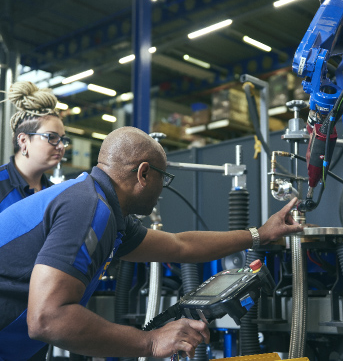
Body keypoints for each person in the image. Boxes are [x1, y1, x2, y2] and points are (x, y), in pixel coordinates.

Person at [0, 126, 303, 361]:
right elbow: (47, 319)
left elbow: (180, 246)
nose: (162, 189)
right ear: (144, 173)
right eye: (163, 178)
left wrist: (259, 234)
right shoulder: (89, 207)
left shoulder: (101, 207)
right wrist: (151, 341)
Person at [0, 81, 70, 213]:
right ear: (23, 140)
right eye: (51, 137)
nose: (60, 146)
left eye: (62, 139)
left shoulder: (55, 194)